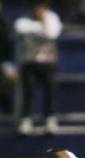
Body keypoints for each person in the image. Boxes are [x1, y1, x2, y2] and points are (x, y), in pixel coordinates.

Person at [15, 0, 62, 135]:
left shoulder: (52, 18)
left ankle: (50, 119)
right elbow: (20, 29)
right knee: (28, 91)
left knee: (50, 90)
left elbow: (52, 33)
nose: (38, 11)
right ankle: (25, 120)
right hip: (29, 62)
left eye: (41, 7)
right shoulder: (23, 20)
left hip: (48, 62)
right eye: (36, 7)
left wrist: (41, 24)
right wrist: (40, 29)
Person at [0, 2, 17, 116]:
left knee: (7, 77)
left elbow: (7, 48)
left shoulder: (3, 24)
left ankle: (8, 111)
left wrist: (8, 65)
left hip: (2, 62)